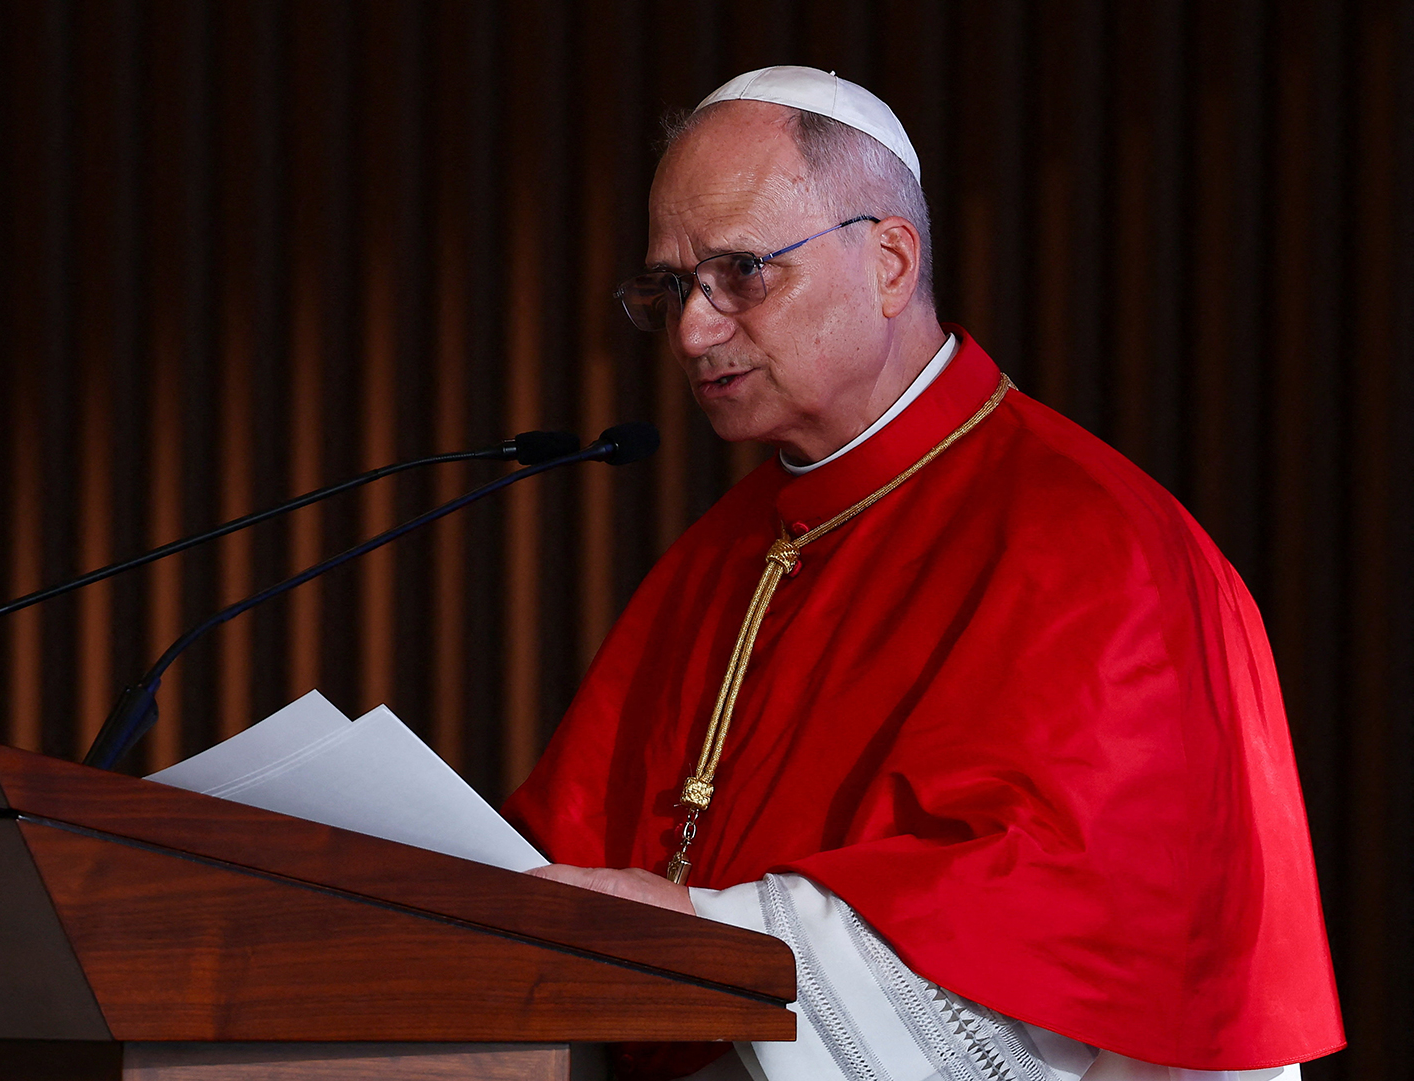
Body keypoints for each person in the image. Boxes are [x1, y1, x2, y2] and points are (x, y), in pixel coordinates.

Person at [504, 67, 1344, 1081]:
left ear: (891, 261)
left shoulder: (1094, 543)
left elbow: (1047, 932)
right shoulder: (722, 552)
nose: (693, 331)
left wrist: (697, 926)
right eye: (673, 288)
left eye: (743, 273)